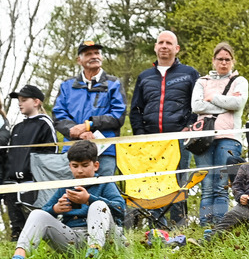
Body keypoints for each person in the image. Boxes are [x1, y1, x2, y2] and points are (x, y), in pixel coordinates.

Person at [8, 140, 125, 259]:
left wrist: (88, 199)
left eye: (85, 165)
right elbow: (44, 211)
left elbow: (120, 209)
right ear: (70, 166)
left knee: (97, 205)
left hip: (107, 238)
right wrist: (55, 209)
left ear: (96, 165)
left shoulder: (105, 183)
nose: (80, 170)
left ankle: (94, 255)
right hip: (72, 239)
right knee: (37, 214)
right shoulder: (66, 187)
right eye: (75, 166)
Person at [128, 30, 200, 226]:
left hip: (179, 139)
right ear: (155, 47)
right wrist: (141, 135)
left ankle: (179, 226)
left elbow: (198, 104)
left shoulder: (190, 73)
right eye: (161, 42)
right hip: (150, 140)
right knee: (154, 182)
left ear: (176, 48)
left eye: (169, 43)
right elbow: (135, 110)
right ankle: (156, 227)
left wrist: (188, 127)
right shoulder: (144, 77)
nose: (164, 46)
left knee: (178, 180)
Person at [190, 42, 249, 226]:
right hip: (203, 138)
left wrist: (213, 98)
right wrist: (224, 105)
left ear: (232, 61)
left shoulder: (240, 81)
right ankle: (205, 225)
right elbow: (196, 106)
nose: (223, 63)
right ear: (213, 61)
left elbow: (238, 104)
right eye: (220, 59)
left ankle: (221, 226)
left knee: (222, 184)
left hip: (229, 138)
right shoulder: (202, 81)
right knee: (207, 185)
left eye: (227, 59)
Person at [51, 40, 126, 179]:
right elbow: (58, 115)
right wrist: (78, 132)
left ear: (102, 57)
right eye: (88, 54)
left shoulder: (113, 83)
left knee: (104, 193)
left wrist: (88, 125)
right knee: (72, 194)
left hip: (104, 151)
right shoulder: (66, 85)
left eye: (97, 53)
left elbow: (118, 115)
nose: (94, 56)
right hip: (73, 150)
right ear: (79, 60)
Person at [2, 85, 58, 240]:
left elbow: (51, 153)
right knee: (17, 228)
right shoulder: (17, 127)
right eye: (18, 100)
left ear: (36, 102)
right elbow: (11, 155)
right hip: (13, 185)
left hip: (33, 183)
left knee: (34, 223)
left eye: (24, 100)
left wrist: (39, 177)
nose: (20, 103)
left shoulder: (44, 123)